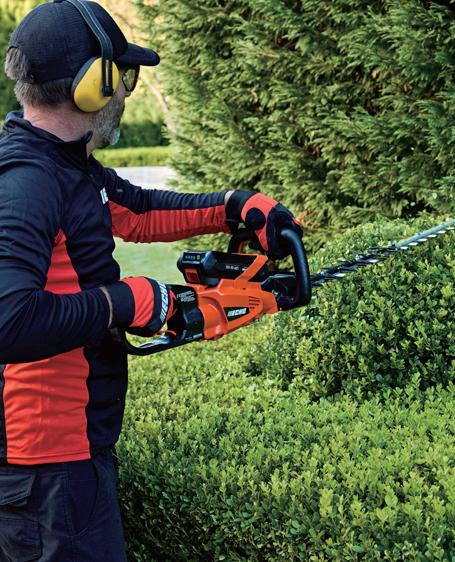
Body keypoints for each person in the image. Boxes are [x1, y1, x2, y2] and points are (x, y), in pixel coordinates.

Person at [0, 1, 302, 560]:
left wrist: (236, 207)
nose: (124, 92)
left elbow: (138, 210)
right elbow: (10, 323)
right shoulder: (28, 181)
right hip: (47, 472)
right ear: (94, 84)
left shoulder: (67, 165)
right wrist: (130, 301)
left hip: (73, 456)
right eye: (123, 77)